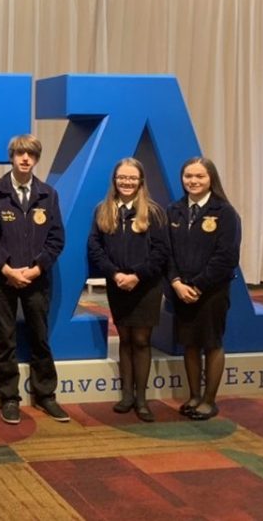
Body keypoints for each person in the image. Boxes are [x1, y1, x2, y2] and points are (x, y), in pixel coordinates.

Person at [0, 134, 67, 425]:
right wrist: (7, 269)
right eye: (20, 154)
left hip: (37, 279)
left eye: (30, 154)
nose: (25, 159)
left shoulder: (48, 195)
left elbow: (56, 238)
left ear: (36, 159)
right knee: (5, 338)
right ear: (12, 157)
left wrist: (37, 268)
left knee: (40, 337)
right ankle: (9, 398)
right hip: (2, 278)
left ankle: (46, 395)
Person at [87, 158, 169, 422]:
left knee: (142, 341)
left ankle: (142, 399)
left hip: (146, 286)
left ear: (141, 181)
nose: (127, 182)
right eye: (122, 177)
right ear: (115, 180)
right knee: (124, 340)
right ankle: (126, 396)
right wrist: (115, 274)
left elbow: (161, 252)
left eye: (132, 178)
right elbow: (95, 247)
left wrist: (137, 276)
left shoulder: (154, 212)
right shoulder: (103, 209)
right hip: (117, 284)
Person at [166, 156, 241, 421]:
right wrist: (176, 283)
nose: (193, 181)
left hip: (211, 292)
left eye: (199, 176)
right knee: (189, 344)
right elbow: (168, 253)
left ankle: (209, 400)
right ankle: (194, 396)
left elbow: (226, 257)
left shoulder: (225, 212)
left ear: (211, 179)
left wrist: (196, 285)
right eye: (188, 176)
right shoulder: (174, 210)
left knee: (211, 343)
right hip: (181, 291)